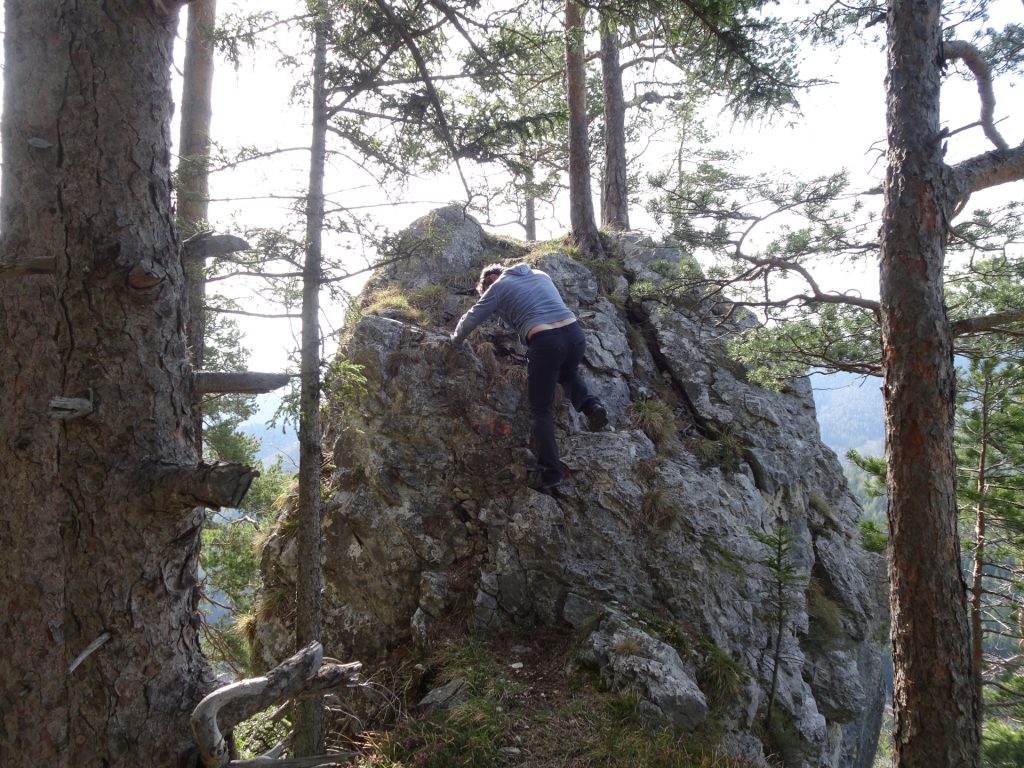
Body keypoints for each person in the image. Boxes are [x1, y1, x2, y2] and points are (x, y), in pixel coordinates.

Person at [450, 262, 608, 491]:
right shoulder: (540, 274)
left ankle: (550, 474)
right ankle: (591, 405)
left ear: (490, 279)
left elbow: (473, 316)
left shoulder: (498, 286)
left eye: (485, 291)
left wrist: (454, 340)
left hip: (545, 340)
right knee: (568, 372)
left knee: (540, 409)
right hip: (574, 334)